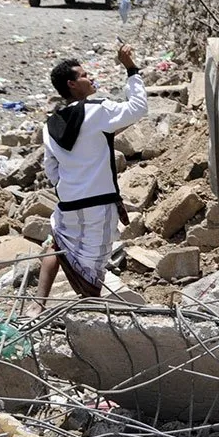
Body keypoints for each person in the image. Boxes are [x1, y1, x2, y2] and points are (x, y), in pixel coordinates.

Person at [35, 44, 148, 307]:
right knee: (92, 265)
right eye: (85, 75)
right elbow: (138, 108)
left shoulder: (50, 125)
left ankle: (37, 304)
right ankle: (89, 316)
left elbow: (50, 168)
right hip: (98, 204)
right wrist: (131, 68)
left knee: (59, 244)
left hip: (69, 203)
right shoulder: (98, 110)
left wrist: (70, 185)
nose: (91, 78)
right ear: (72, 84)